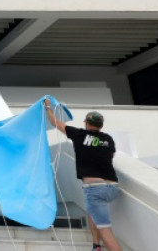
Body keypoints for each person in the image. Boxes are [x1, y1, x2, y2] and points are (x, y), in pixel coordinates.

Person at [45, 99, 123, 251]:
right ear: (101, 125)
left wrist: (48, 107)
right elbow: (110, 156)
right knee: (92, 211)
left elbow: (55, 122)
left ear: (86, 123)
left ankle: (101, 244)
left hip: (95, 189)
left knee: (105, 230)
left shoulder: (79, 135)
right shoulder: (108, 139)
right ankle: (96, 245)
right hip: (113, 188)